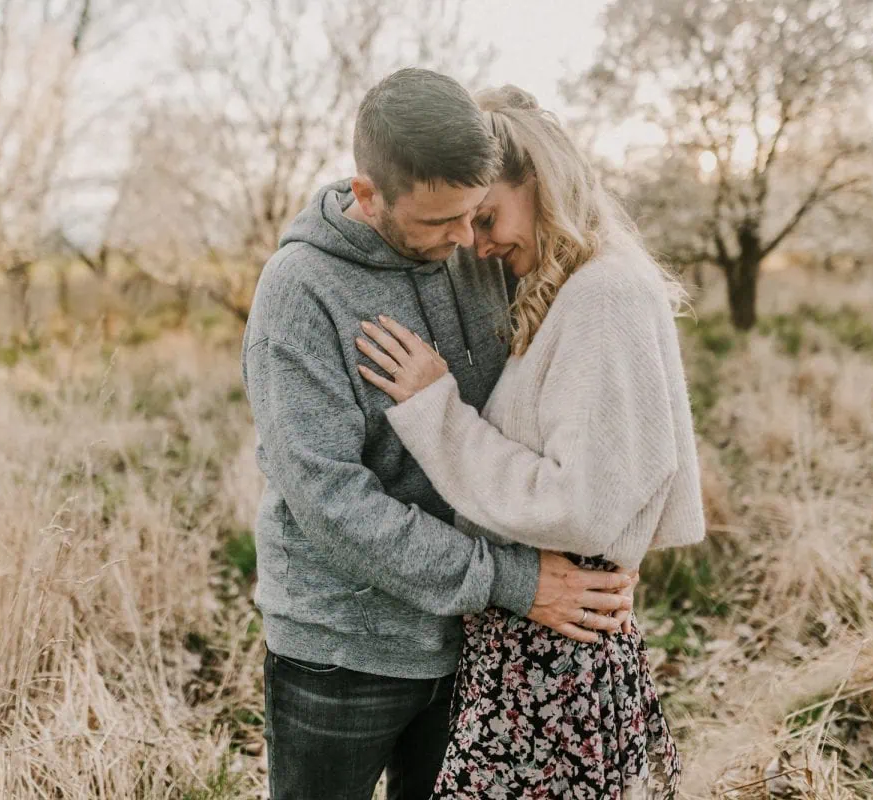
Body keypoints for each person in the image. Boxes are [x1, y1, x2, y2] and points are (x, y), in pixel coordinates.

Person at [241, 69, 637, 800]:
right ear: (368, 196)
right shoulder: (299, 293)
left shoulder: (473, 249)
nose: (465, 240)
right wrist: (514, 582)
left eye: (474, 214)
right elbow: (332, 502)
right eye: (439, 224)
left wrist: (604, 540)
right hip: (343, 652)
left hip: (474, 644)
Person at [356, 85, 706, 798]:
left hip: (555, 649)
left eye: (486, 217)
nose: (478, 245)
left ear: (540, 181)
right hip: (537, 638)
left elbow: (581, 501)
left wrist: (436, 411)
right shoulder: (572, 288)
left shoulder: (604, 295)